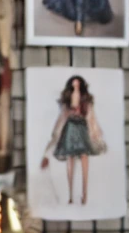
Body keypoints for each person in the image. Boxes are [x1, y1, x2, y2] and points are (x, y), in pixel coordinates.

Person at [41, 74, 106, 205]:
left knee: (84, 157)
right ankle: (70, 195)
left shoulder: (86, 99)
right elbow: (62, 117)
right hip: (70, 127)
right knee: (70, 158)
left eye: (78, 84)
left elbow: (91, 117)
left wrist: (95, 133)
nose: (76, 86)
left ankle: (85, 195)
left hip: (82, 127)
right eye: (73, 85)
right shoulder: (67, 100)